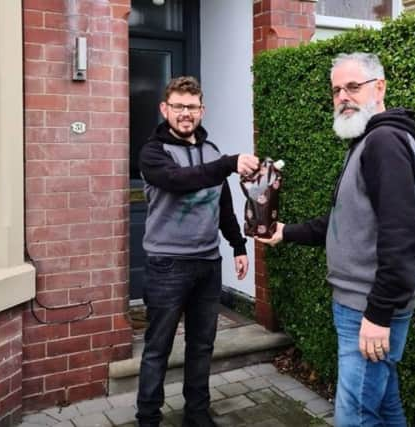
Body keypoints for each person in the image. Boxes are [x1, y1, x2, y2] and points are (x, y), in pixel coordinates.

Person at [258, 53, 415, 426]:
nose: (343, 97)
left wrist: (379, 313)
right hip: (361, 304)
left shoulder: (384, 142)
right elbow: (344, 222)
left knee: (354, 415)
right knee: (383, 404)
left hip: (368, 306)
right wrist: (287, 232)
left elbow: (402, 236)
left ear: (379, 87)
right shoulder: (366, 142)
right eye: (336, 90)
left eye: (353, 86)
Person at [136, 76, 259, 427]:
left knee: (201, 346)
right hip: (167, 265)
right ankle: (148, 419)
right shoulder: (152, 153)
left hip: (208, 263)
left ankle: (197, 415)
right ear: (165, 109)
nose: (185, 114)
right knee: (158, 348)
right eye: (178, 106)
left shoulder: (212, 152)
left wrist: (237, 245)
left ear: (202, 110)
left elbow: (223, 206)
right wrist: (229, 164)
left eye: (192, 107)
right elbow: (178, 181)